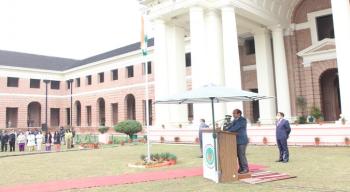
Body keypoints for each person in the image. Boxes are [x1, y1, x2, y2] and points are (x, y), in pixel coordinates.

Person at [226, 109, 249, 174]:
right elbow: (230, 127)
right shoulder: (234, 120)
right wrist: (226, 130)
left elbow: (236, 128)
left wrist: (228, 131)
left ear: (239, 114)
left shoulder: (242, 120)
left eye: (234, 113)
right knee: (238, 155)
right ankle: (241, 168)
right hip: (235, 141)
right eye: (233, 113)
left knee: (242, 155)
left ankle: (245, 169)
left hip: (242, 140)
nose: (233, 114)